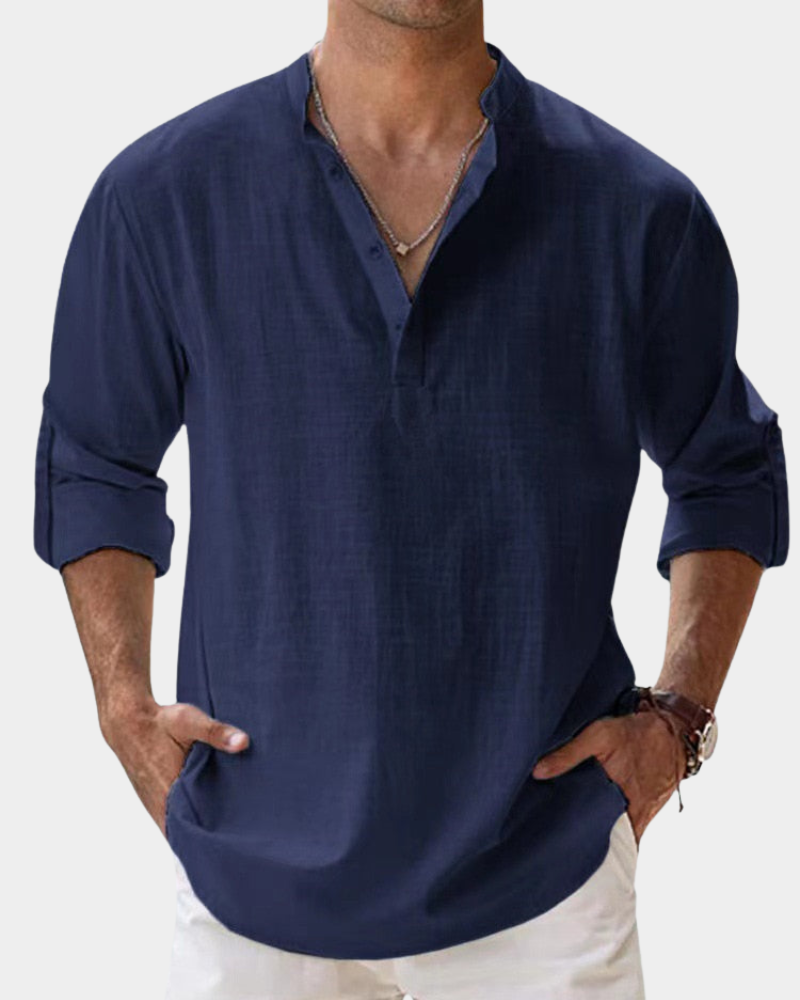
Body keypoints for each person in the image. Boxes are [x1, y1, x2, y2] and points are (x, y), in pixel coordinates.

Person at [33, 2, 789, 998]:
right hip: (250, 879)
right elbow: (93, 458)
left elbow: (727, 471)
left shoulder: (636, 209)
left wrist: (678, 717)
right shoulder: (166, 195)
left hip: (542, 880)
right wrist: (122, 706)